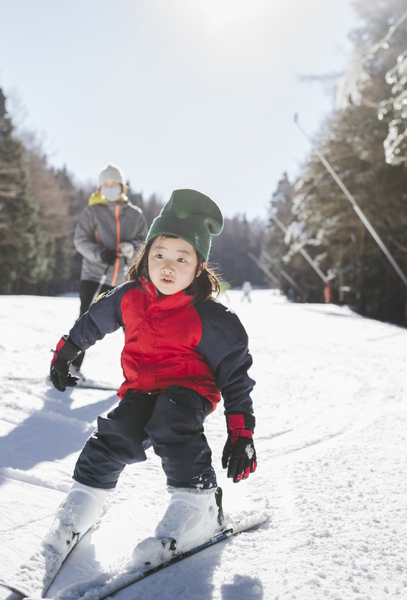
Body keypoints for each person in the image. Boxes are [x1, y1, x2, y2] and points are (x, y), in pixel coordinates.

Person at [47, 189, 257, 572]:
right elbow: (94, 319)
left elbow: (236, 379)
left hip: (189, 391)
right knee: (118, 431)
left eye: (182, 258)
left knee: (171, 420)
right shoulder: (130, 297)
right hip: (140, 389)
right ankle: (84, 501)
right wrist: (68, 350)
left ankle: (199, 504)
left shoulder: (212, 319)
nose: (168, 267)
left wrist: (241, 433)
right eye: (159, 255)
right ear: (146, 257)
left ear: (198, 267)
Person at [72, 163, 147, 374]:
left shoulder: (135, 215)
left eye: (114, 184)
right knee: (86, 319)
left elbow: (145, 244)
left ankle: (139, 373)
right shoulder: (92, 212)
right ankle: (71, 365)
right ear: (100, 188)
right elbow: (80, 240)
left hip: (123, 279)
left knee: (131, 324)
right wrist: (100, 253)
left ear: (123, 187)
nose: (110, 187)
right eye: (106, 184)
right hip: (94, 275)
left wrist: (132, 247)